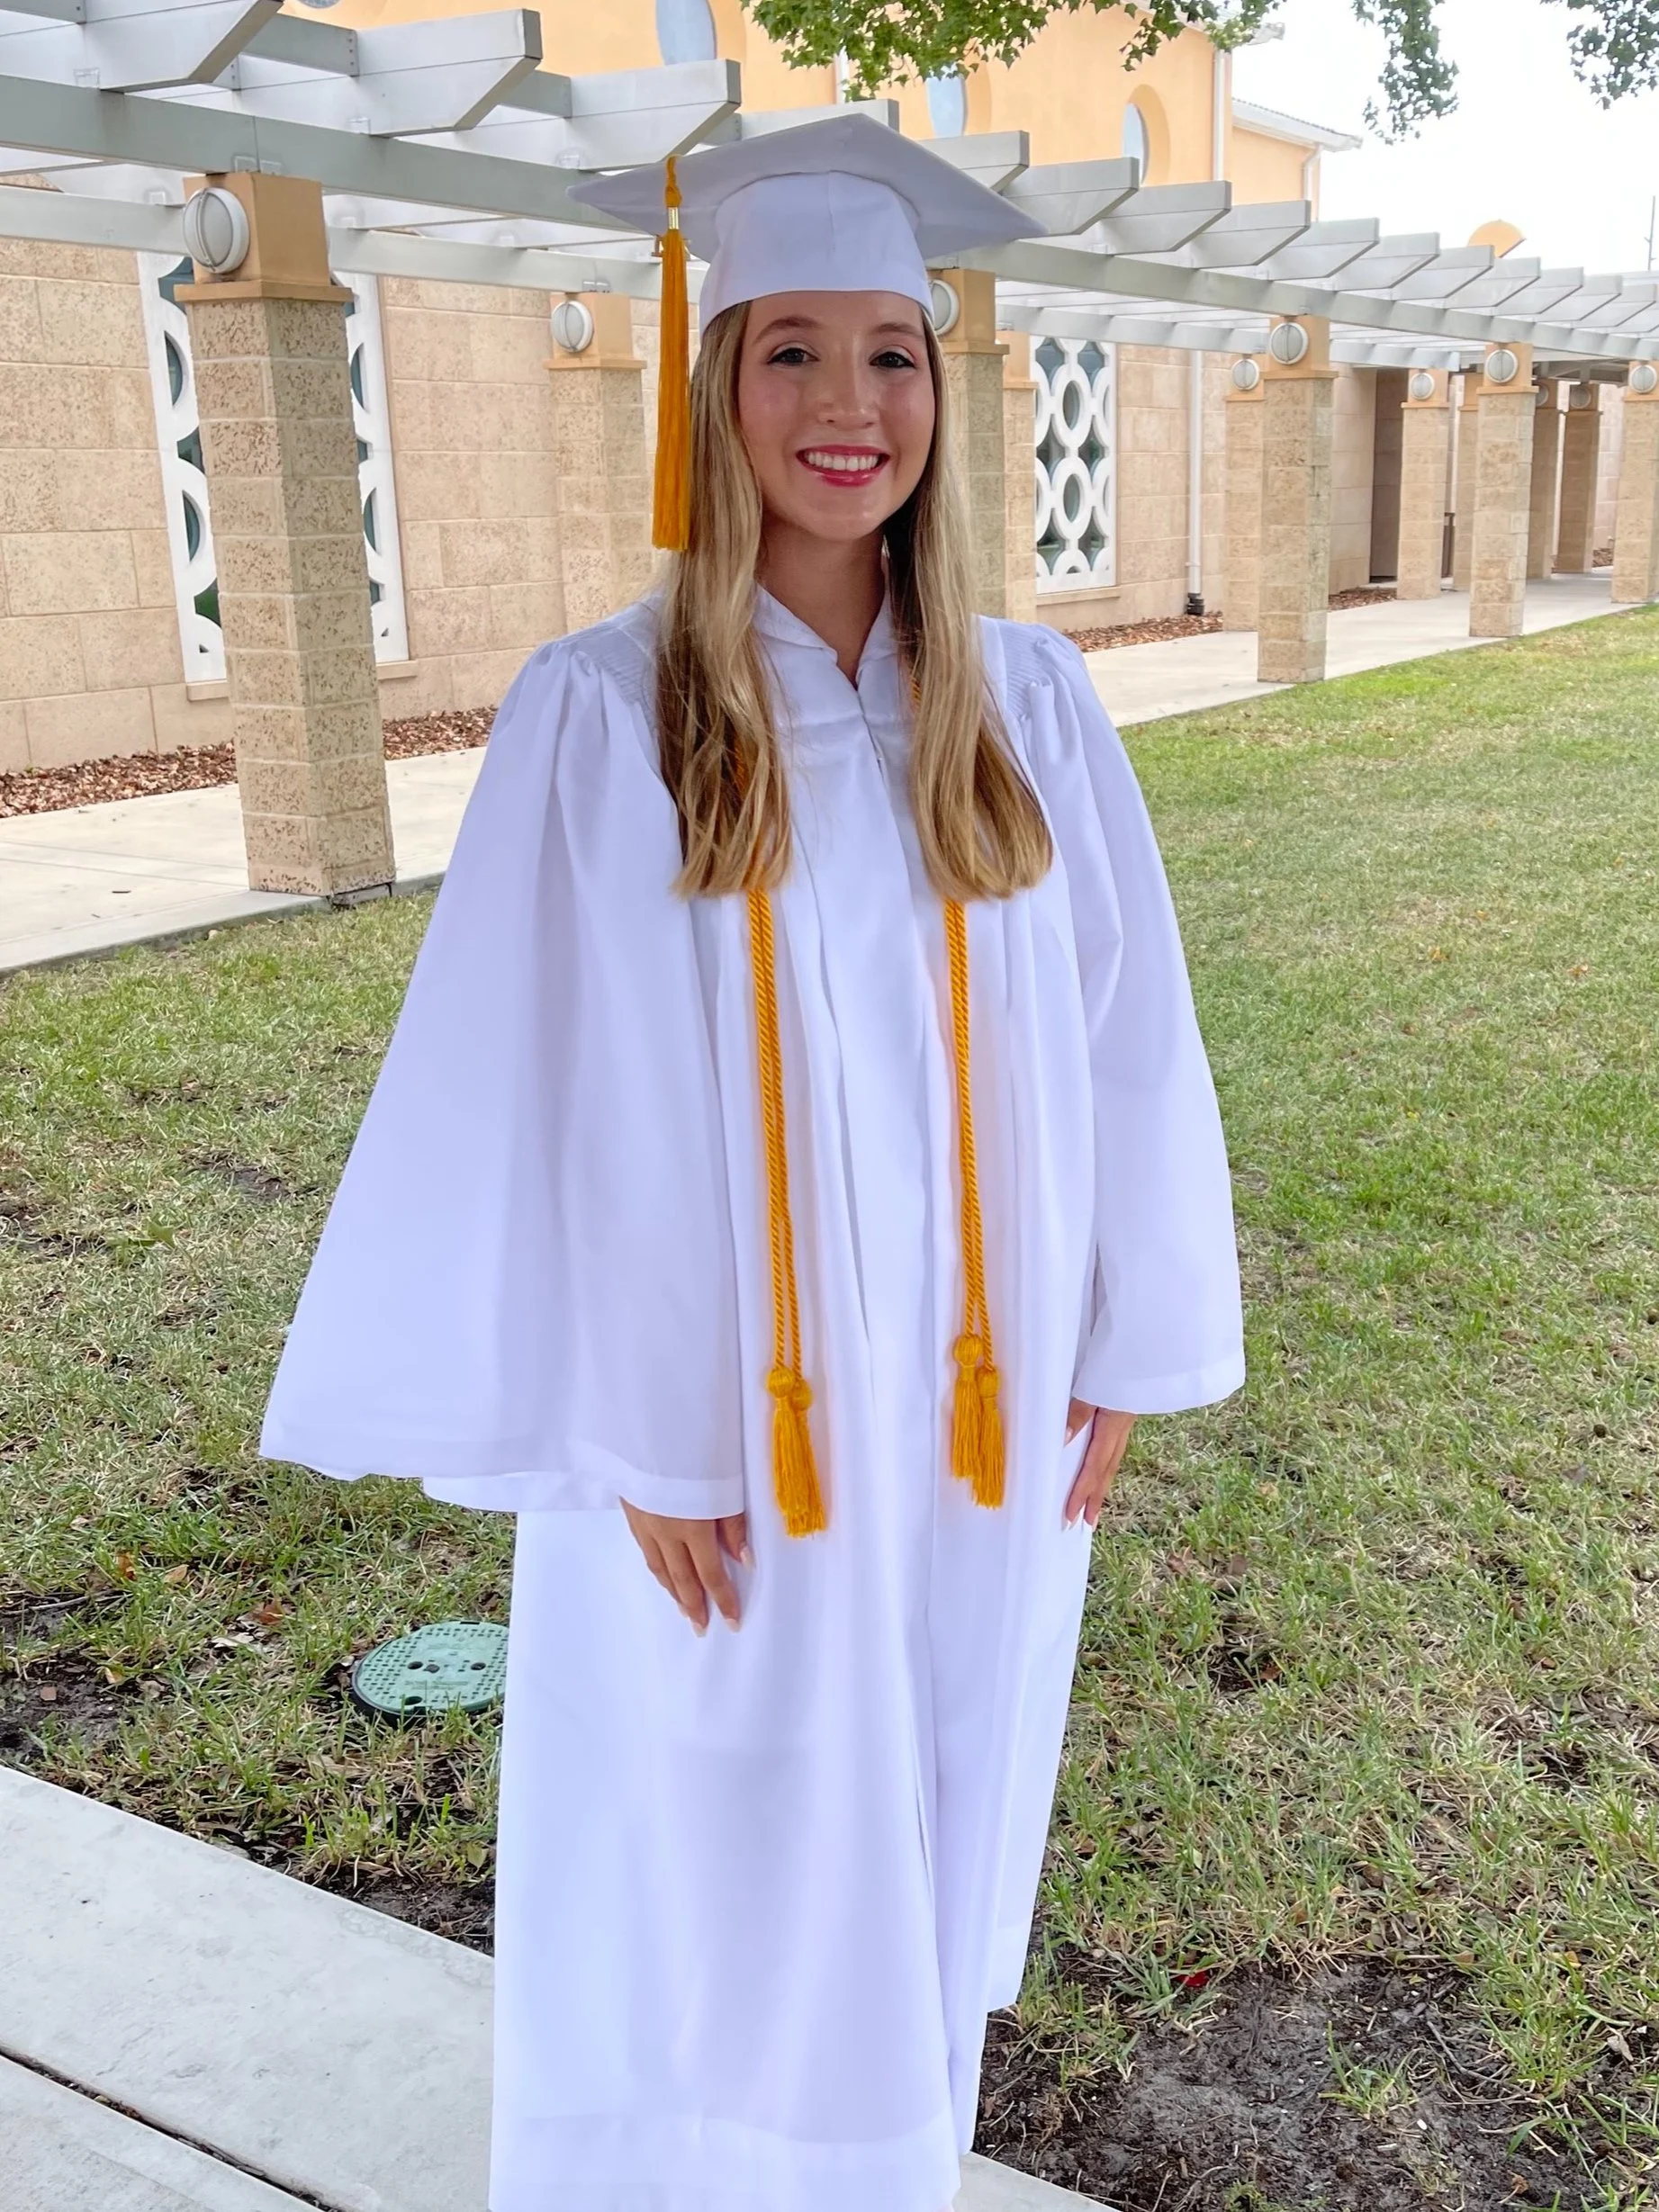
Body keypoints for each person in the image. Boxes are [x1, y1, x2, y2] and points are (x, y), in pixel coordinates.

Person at [262, 112, 1244, 2212]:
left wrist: (1127, 1331)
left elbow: (1129, 1038)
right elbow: (547, 1096)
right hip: (736, 1417)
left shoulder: (1032, 706)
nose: (847, 405)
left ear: (941, 394)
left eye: (891, 353)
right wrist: (644, 1425)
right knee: (708, 1848)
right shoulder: (608, 714)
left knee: (931, 1802)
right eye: (790, 350)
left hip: (973, 1408)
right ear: (712, 386)